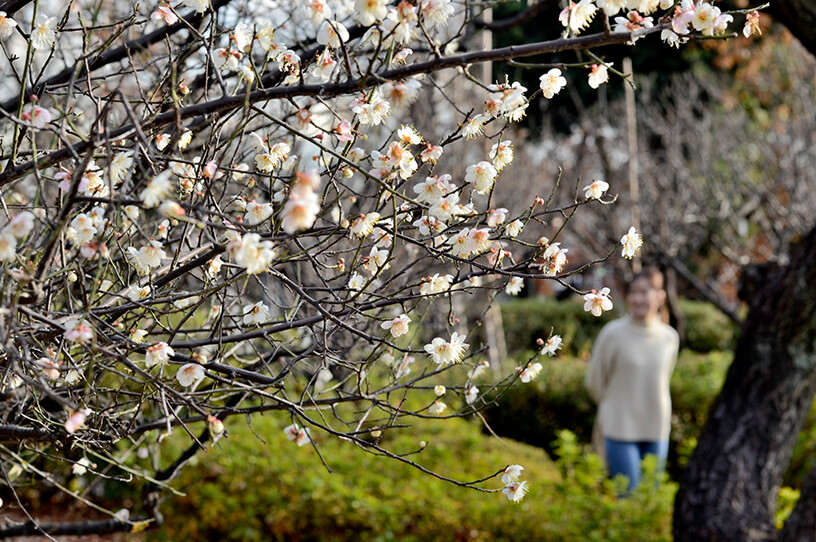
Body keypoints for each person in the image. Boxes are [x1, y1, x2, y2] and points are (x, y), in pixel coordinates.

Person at [584, 267, 679, 492]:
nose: (638, 298)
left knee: (650, 499)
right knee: (629, 497)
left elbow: (663, 379)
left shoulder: (669, 337)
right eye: (633, 292)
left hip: (656, 429)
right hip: (619, 429)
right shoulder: (612, 334)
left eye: (644, 292)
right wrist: (612, 408)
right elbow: (595, 382)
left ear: (660, 296)